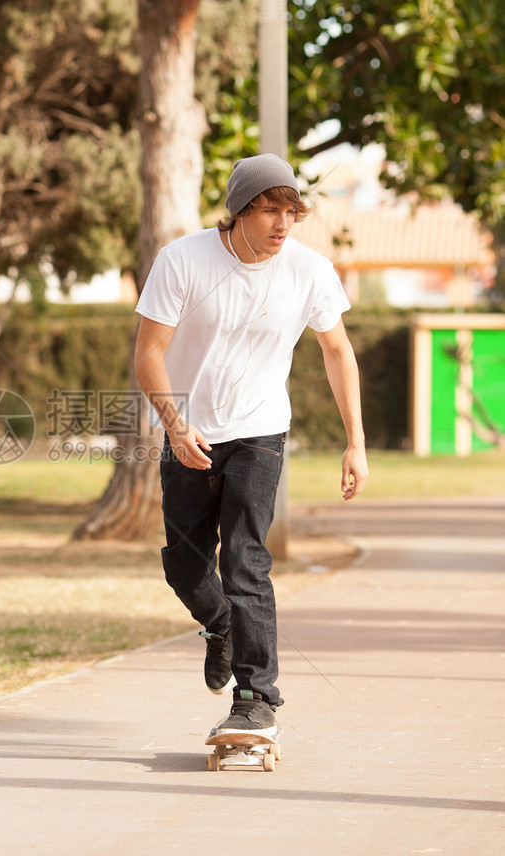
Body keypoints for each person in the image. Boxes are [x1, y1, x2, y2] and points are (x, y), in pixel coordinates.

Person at [133, 153, 367, 739]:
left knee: (244, 558)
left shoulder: (309, 270)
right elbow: (148, 353)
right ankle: (219, 623)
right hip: (190, 430)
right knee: (185, 566)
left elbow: (336, 351)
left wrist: (355, 442)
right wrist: (175, 424)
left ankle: (256, 696)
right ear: (239, 210)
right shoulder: (183, 260)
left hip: (261, 428)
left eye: (291, 211)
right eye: (268, 209)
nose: (282, 223)